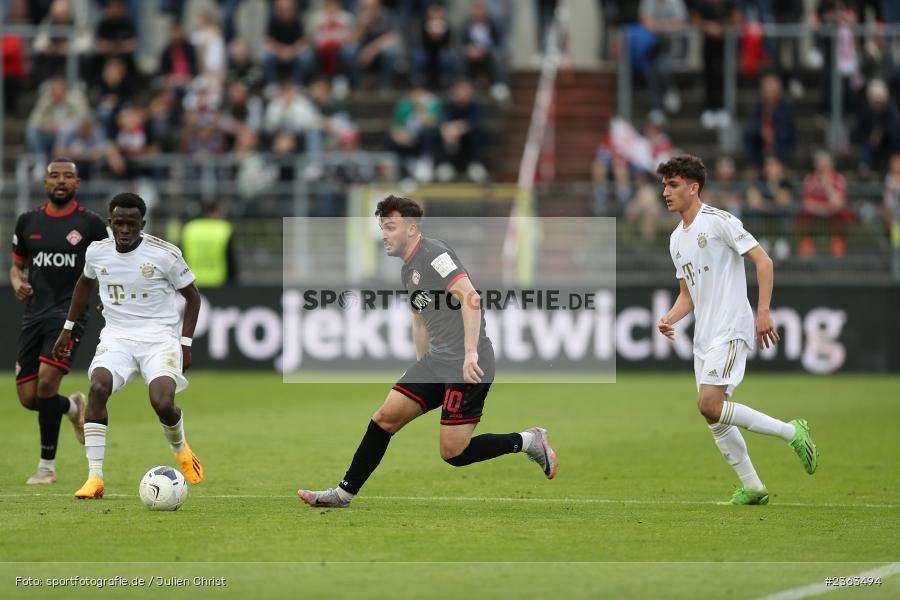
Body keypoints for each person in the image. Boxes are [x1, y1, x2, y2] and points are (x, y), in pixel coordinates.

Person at [297, 195, 558, 508]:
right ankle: (342, 495)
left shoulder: (435, 253)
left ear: (411, 228)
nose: (383, 235)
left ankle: (529, 441)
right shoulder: (408, 270)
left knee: (453, 453)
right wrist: (421, 370)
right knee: (385, 418)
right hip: (437, 362)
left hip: (467, 364)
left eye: (390, 227)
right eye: (381, 228)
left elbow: (471, 298)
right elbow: (419, 323)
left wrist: (471, 353)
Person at [656, 155, 817, 506]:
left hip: (730, 327)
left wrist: (763, 311)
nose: (665, 192)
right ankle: (754, 487)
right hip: (704, 335)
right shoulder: (675, 240)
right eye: (664, 185)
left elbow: (764, 260)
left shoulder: (718, 221)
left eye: (673, 185)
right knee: (712, 416)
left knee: (709, 404)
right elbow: (688, 296)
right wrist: (670, 317)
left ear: (693, 187)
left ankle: (792, 431)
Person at [52, 193, 203, 499]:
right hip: (117, 337)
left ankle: (181, 448)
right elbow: (84, 284)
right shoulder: (97, 252)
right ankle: (94, 478)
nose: (124, 229)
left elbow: (193, 297)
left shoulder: (165, 254)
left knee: (162, 402)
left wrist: (185, 343)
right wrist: (67, 328)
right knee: (97, 389)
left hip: (159, 338)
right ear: (111, 222)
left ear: (141, 224)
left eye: (131, 224)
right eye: (119, 222)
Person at [10, 158, 108, 485]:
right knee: (29, 398)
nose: (61, 181)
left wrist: (106, 295)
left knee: (47, 384)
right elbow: (16, 266)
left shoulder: (91, 225)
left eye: (68, 176)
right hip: (34, 314)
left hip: (69, 315)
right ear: (45, 183)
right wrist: (16, 283)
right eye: (55, 176)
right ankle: (71, 407)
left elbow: (112, 261)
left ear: (78, 183)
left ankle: (46, 468)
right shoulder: (27, 222)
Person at [181, 201, 238, 287]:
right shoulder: (223, 229)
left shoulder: (189, 228)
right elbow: (230, 259)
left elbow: (181, 256)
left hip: (192, 282)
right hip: (218, 281)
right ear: (215, 212)